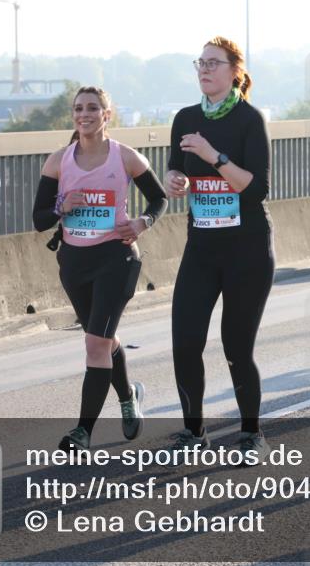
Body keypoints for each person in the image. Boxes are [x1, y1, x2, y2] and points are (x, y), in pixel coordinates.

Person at [32, 86, 165, 451]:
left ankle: (82, 432)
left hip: (116, 259)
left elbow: (158, 198)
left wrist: (142, 222)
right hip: (74, 263)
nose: (84, 114)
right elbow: (38, 219)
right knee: (102, 340)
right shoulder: (59, 161)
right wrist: (62, 205)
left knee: (94, 344)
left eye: (93, 108)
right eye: (78, 108)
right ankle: (128, 398)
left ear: (107, 115)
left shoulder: (125, 157)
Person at [164, 37, 274, 462]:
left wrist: (214, 157)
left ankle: (251, 433)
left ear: (234, 72)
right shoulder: (185, 118)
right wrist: (175, 178)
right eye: (201, 63)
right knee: (185, 342)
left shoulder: (249, 120)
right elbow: (176, 165)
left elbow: (257, 190)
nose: (205, 69)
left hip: (247, 249)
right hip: (202, 248)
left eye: (214, 63)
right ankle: (194, 433)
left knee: (236, 346)